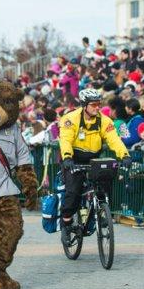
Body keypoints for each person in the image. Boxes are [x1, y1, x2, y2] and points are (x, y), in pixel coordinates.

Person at [58, 88, 131, 244]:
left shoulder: (104, 121)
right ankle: (66, 223)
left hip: (93, 159)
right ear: (84, 105)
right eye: (93, 105)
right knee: (73, 192)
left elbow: (114, 140)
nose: (97, 107)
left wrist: (124, 155)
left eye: (99, 104)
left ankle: (103, 212)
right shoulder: (70, 119)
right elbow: (65, 140)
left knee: (105, 182)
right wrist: (67, 158)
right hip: (73, 159)